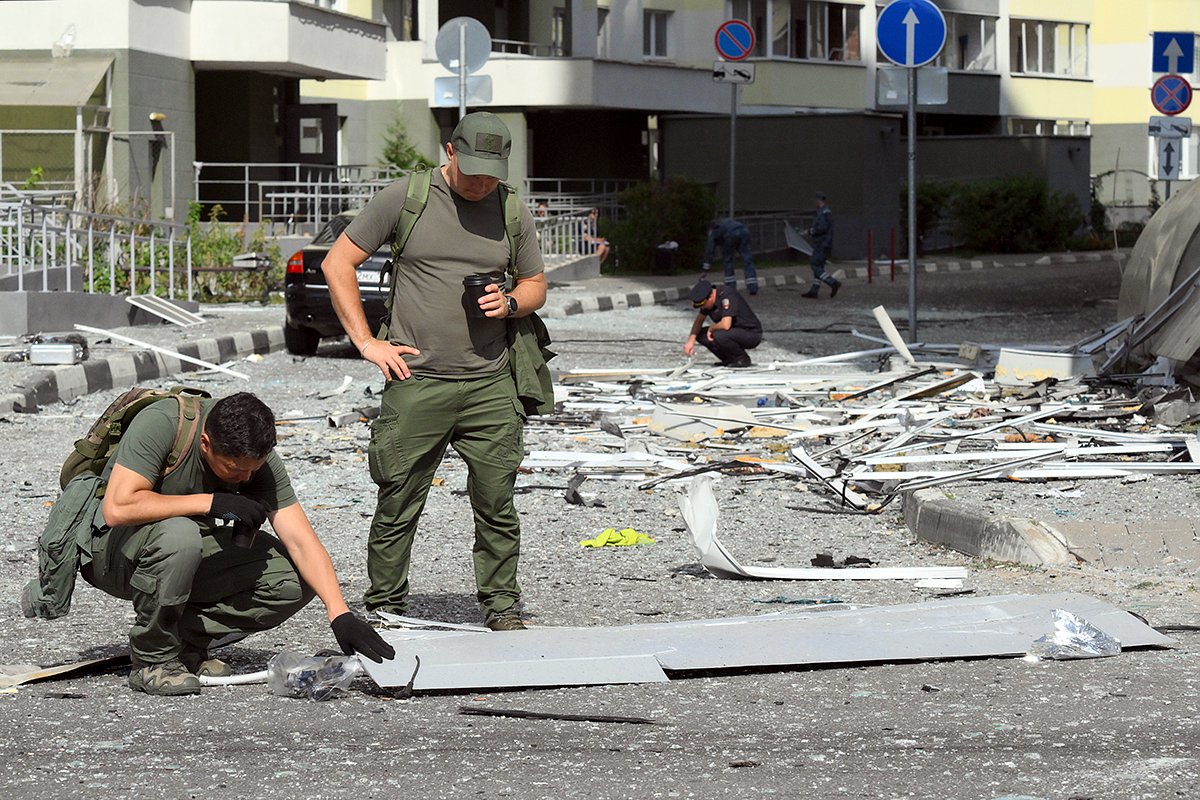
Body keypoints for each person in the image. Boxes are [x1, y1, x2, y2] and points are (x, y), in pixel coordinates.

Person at [320, 111, 547, 632]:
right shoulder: (406, 197)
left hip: (491, 381)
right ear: (450, 152)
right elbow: (338, 264)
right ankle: (386, 609)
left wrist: (510, 303)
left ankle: (501, 606)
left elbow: (535, 283)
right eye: (472, 170)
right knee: (398, 499)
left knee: (497, 503)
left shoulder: (512, 208)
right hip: (416, 382)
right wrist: (366, 342)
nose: (481, 182)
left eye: (491, 172)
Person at [33, 391, 396, 696]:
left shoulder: (255, 458)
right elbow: (117, 507)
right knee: (180, 534)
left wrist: (340, 614)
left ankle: (185, 646)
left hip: (179, 555)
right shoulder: (163, 424)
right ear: (206, 444)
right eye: (234, 469)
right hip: (110, 553)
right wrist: (210, 502)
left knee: (295, 578)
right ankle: (153, 660)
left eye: (252, 469)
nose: (246, 477)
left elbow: (301, 539)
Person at [683, 278, 762, 368]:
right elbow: (699, 321)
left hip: (750, 333)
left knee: (719, 335)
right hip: (732, 332)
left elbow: (725, 325)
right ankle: (728, 358)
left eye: (703, 305)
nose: (703, 308)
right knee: (701, 334)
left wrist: (711, 328)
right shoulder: (707, 301)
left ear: (710, 297)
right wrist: (691, 340)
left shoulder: (726, 295)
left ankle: (741, 358)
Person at [703, 218, 759, 295]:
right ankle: (753, 287)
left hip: (730, 235)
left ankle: (731, 287)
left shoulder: (714, 231)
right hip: (744, 230)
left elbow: (709, 250)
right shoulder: (726, 222)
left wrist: (706, 268)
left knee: (728, 261)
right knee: (747, 259)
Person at [802, 191, 840, 298]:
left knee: (814, 265)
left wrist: (811, 231)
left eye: (815, 200)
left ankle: (833, 282)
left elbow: (822, 228)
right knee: (819, 266)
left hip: (821, 243)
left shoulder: (822, 213)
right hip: (825, 243)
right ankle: (814, 290)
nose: (814, 202)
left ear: (818, 200)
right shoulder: (826, 212)